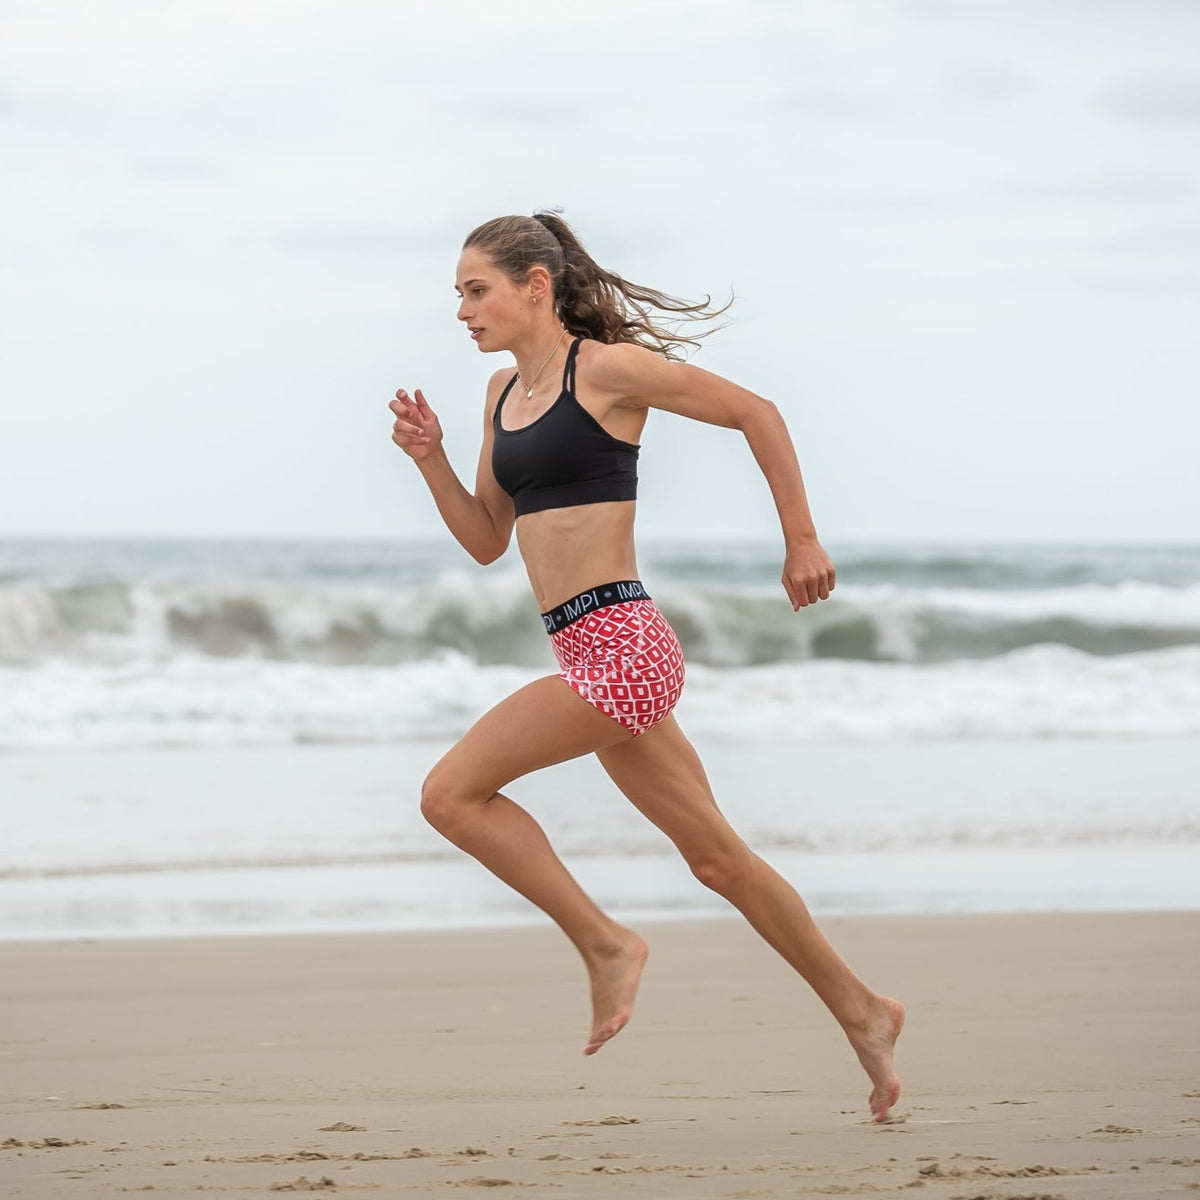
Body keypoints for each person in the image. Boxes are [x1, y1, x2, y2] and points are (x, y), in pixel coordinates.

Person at [389, 210, 904, 1122]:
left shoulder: (608, 371)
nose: (463, 311)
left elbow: (757, 412)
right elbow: (483, 538)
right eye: (459, 295)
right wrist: (430, 461)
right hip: (581, 650)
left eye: (477, 291)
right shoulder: (501, 397)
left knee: (449, 795)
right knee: (719, 861)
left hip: (623, 648)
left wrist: (802, 541)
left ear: (534, 287)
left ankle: (603, 943)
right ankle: (864, 1011)